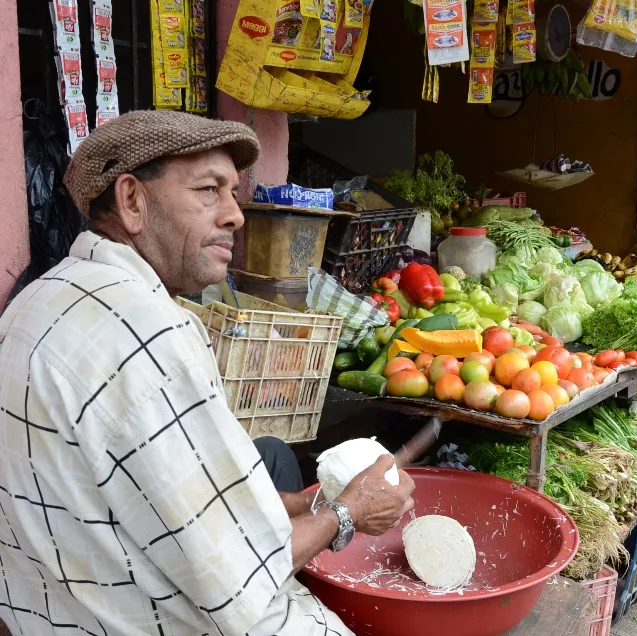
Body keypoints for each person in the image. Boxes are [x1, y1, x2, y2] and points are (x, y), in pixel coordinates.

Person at [0, 111, 415, 636]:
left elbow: (183, 511)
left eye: (232, 192)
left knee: (274, 460)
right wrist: (346, 515)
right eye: (208, 190)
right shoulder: (148, 335)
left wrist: (314, 501)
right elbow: (239, 579)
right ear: (132, 201)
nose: (235, 215)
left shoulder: (37, 299)